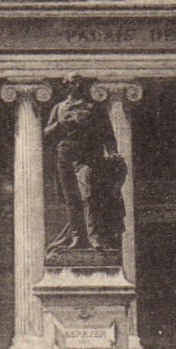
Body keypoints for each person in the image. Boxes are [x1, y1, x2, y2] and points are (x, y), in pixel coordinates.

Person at [43, 74, 125, 253]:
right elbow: (46, 133)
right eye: (72, 83)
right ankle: (77, 237)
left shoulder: (92, 108)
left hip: (87, 155)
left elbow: (107, 134)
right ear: (66, 87)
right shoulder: (59, 108)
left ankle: (93, 236)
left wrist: (112, 153)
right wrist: (59, 124)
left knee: (87, 194)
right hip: (64, 155)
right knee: (71, 198)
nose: (76, 86)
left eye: (78, 83)